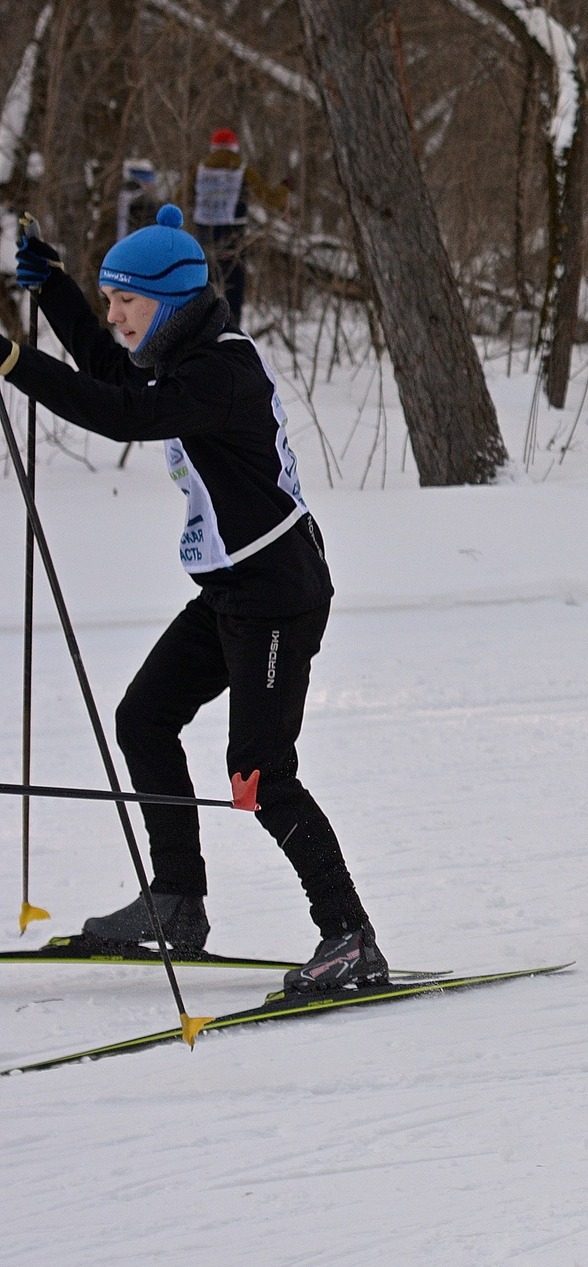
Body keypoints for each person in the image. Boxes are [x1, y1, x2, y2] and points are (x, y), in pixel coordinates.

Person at [4, 208, 380, 991]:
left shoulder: (220, 373)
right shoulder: (180, 354)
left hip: (277, 596)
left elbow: (122, 413)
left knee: (259, 773)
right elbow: (113, 373)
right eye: (109, 301)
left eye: (126, 303)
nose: (114, 317)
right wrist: (57, 291)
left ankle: (349, 935)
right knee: (144, 717)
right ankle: (177, 900)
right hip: (230, 589)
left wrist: (14, 361)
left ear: (170, 303)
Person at [191, 127, 290, 322]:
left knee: (203, 285)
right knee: (233, 286)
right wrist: (284, 188)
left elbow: (180, 196)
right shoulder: (242, 171)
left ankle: (200, 326)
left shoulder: (200, 170)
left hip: (204, 236)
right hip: (232, 237)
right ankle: (233, 326)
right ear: (234, 147)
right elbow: (270, 200)